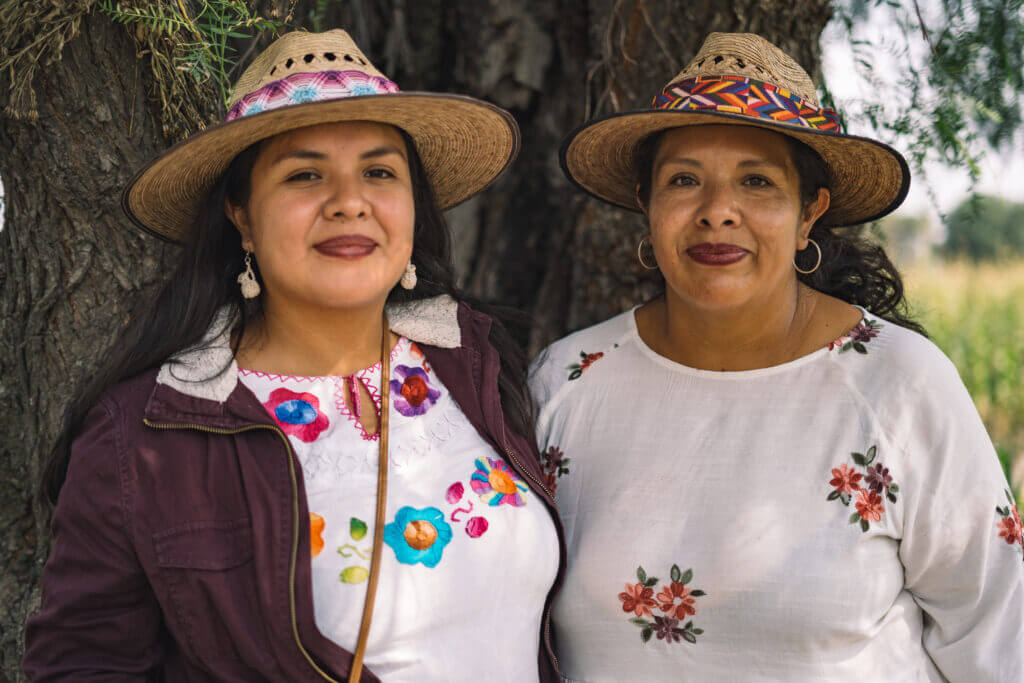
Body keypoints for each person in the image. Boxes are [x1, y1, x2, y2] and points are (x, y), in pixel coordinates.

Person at [24, 29, 564, 682]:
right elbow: (84, 663)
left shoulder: (471, 362)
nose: (349, 201)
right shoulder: (145, 435)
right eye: (305, 174)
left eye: (379, 171)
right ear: (242, 216)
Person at [531, 32, 1023, 681]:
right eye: (684, 180)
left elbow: (998, 636)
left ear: (808, 213)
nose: (717, 213)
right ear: (646, 204)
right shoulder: (568, 380)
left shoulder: (898, 384)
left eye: (756, 182)